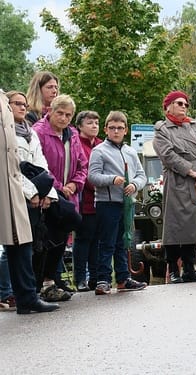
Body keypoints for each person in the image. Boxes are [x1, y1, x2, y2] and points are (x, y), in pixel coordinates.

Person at [0, 89, 59, 314]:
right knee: (17, 246)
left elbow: (38, 163)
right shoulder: (7, 128)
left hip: (29, 191)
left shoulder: (29, 132)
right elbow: (10, 166)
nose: (22, 107)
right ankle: (18, 295)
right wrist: (30, 192)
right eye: (16, 103)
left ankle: (27, 297)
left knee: (25, 246)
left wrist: (44, 191)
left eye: (24, 104)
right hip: (14, 192)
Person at [152, 90, 196, 283]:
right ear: (168, 106)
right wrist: (190, 171)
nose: (183, 107)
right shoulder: (162, 129)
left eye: (186, 104)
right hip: (178, 181)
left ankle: (190, 269)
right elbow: (168, 155)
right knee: (175, 227)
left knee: (194, 227)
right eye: (179, 103)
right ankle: (173, 270)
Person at [33, 94, 88, 301]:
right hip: (48, 194)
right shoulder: (39, 132)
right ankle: (40, 284)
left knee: (61, 236)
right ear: (51, 111)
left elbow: (82, 164)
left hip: (69, 194)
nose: (64, 118)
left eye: (68, 115)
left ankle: (48, 282)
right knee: (46, 239)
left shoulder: (72, 134)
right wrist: (58, 187)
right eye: (60, 113)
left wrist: (75, 184)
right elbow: (39, 165)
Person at [88, 111, 147, 294]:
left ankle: (123, 278)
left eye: (120, 128)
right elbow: (93, 176)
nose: (116, 131)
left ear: (125, 130)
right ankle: (103, 279)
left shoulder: (130, 151)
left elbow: (141, 175)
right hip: (107, 202)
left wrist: (135, 185)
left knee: (123, 241)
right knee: (107, 242)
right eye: (112, 128)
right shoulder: (99, 151)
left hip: (127, 203)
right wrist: (112, 179)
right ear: (106, 129)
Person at [72, 111, 103, 291]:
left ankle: (95, 276)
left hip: (103, 201)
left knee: (97, 240)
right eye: (90, 123)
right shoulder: (77, 144)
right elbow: (81, 171)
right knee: (84, 239)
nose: (94, 126)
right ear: (80, 126)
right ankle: (80, 278)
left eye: (96, 122)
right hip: (85, 200)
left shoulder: (101, 145)